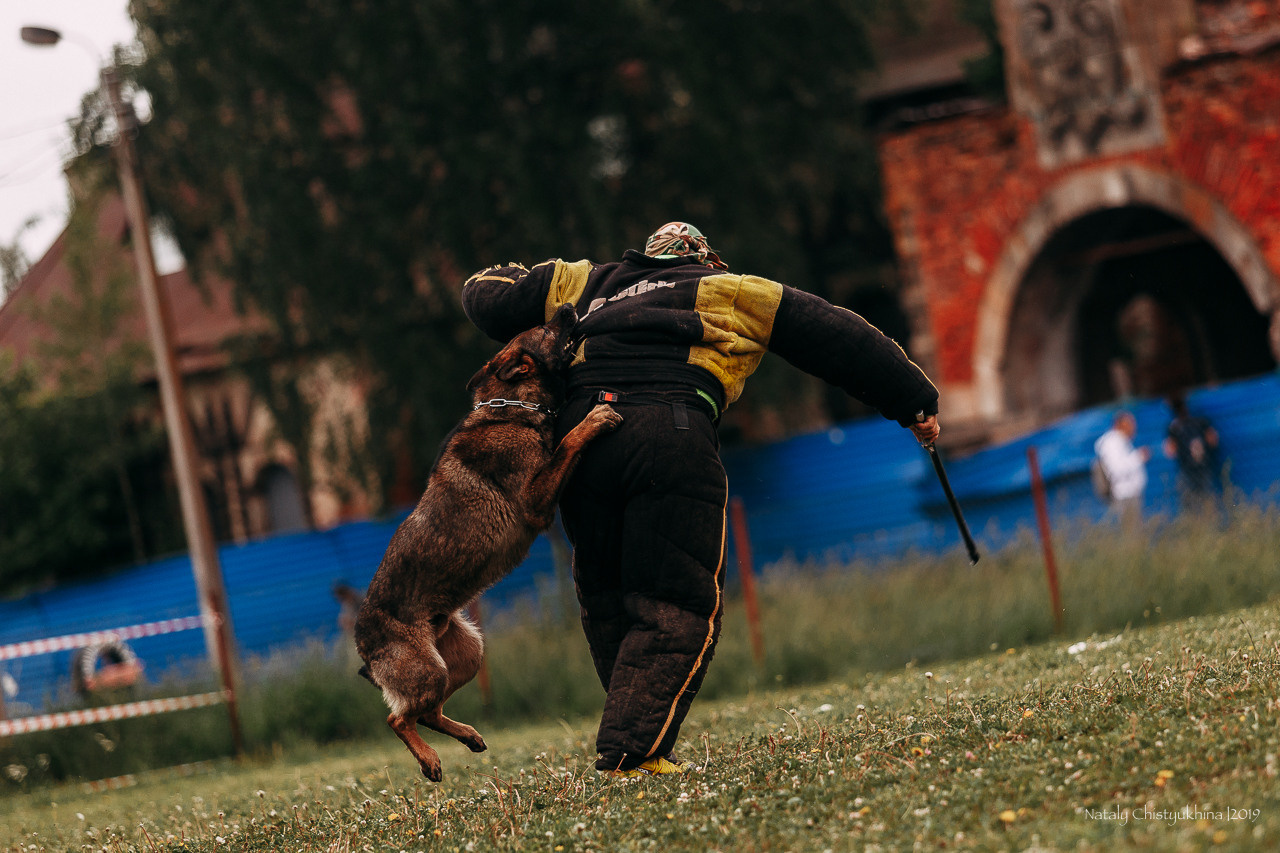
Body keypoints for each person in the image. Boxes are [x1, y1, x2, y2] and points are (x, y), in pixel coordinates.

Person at [461, 221, 939, 776]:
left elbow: (486, 298)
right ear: (706, 260)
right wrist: (916, 402)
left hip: (581, 442)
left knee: (607, 593)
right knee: (675, 604)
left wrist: (508, 275)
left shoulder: (582, 280)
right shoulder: (730, 288)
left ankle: (637, 745)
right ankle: (631, 754)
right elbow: (840, 339)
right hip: (670, 435)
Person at [1094, 411, 1149, 527]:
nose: (1134, 428)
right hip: (1125, 495)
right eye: (1130, 424)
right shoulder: (1113, 444)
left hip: (1130, 494)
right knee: (1133, 534)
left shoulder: (1121, 442)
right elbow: (1117, 470)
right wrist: (1138, 457)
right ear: (1120, 425)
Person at [1163, 393, 1220, 506]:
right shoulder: (1201, 422)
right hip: (1203, 466)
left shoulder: (1174, 428)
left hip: (1187, 468)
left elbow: (1170, 451)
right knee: (1207, 500)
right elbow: (1213, 441)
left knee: (1190, 503)